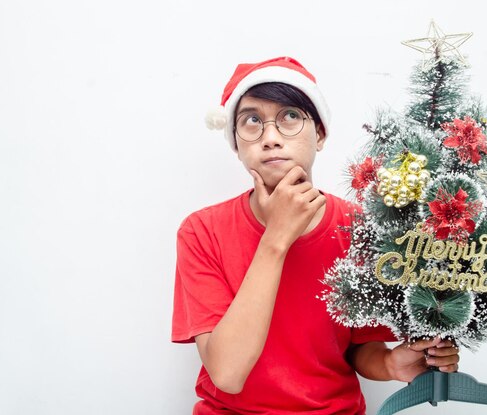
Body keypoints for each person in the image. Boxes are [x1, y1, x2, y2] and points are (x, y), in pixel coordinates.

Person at [172, 56, 459, 414]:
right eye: (252, 121)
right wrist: (277, 238)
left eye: (291, 116)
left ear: (319, 134)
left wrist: (388, 364)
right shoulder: (202, 231)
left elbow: (359, 346)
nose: (271, 138)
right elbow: (227, 374)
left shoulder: (360, 227)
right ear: (236, 142)